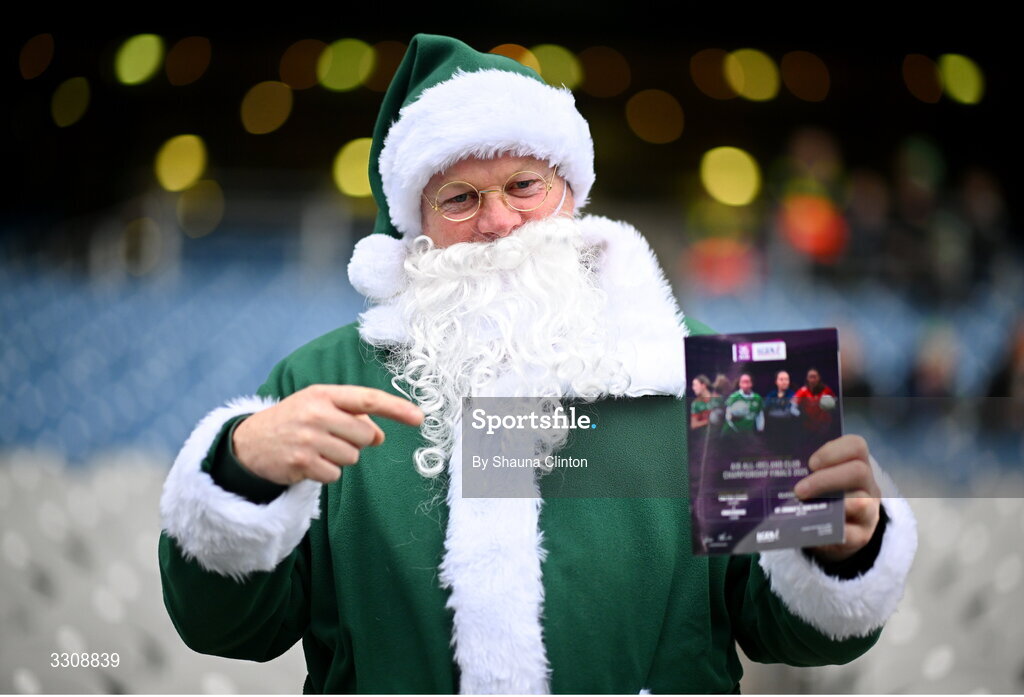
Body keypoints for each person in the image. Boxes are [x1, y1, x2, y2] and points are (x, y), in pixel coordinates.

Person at [158, 34, 917, 694]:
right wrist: (240, 473)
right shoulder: (320, 381)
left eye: (525, 185)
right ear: (414, 223)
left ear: (570, 196)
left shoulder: (707, 376)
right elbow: (227, 628)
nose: (497, 221)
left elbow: (790, 630)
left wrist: (843, 550)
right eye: (459, 197)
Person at [795, 367, 839, 439]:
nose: (812, 380)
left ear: (819, 378)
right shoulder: (803, 391)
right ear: (807, 378)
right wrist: (799, 414)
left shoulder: (827, 390)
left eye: (815, 377)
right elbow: (792, 404)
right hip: (808, 425)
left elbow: (836, 404)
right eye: (810, 377)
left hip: (824, 426)